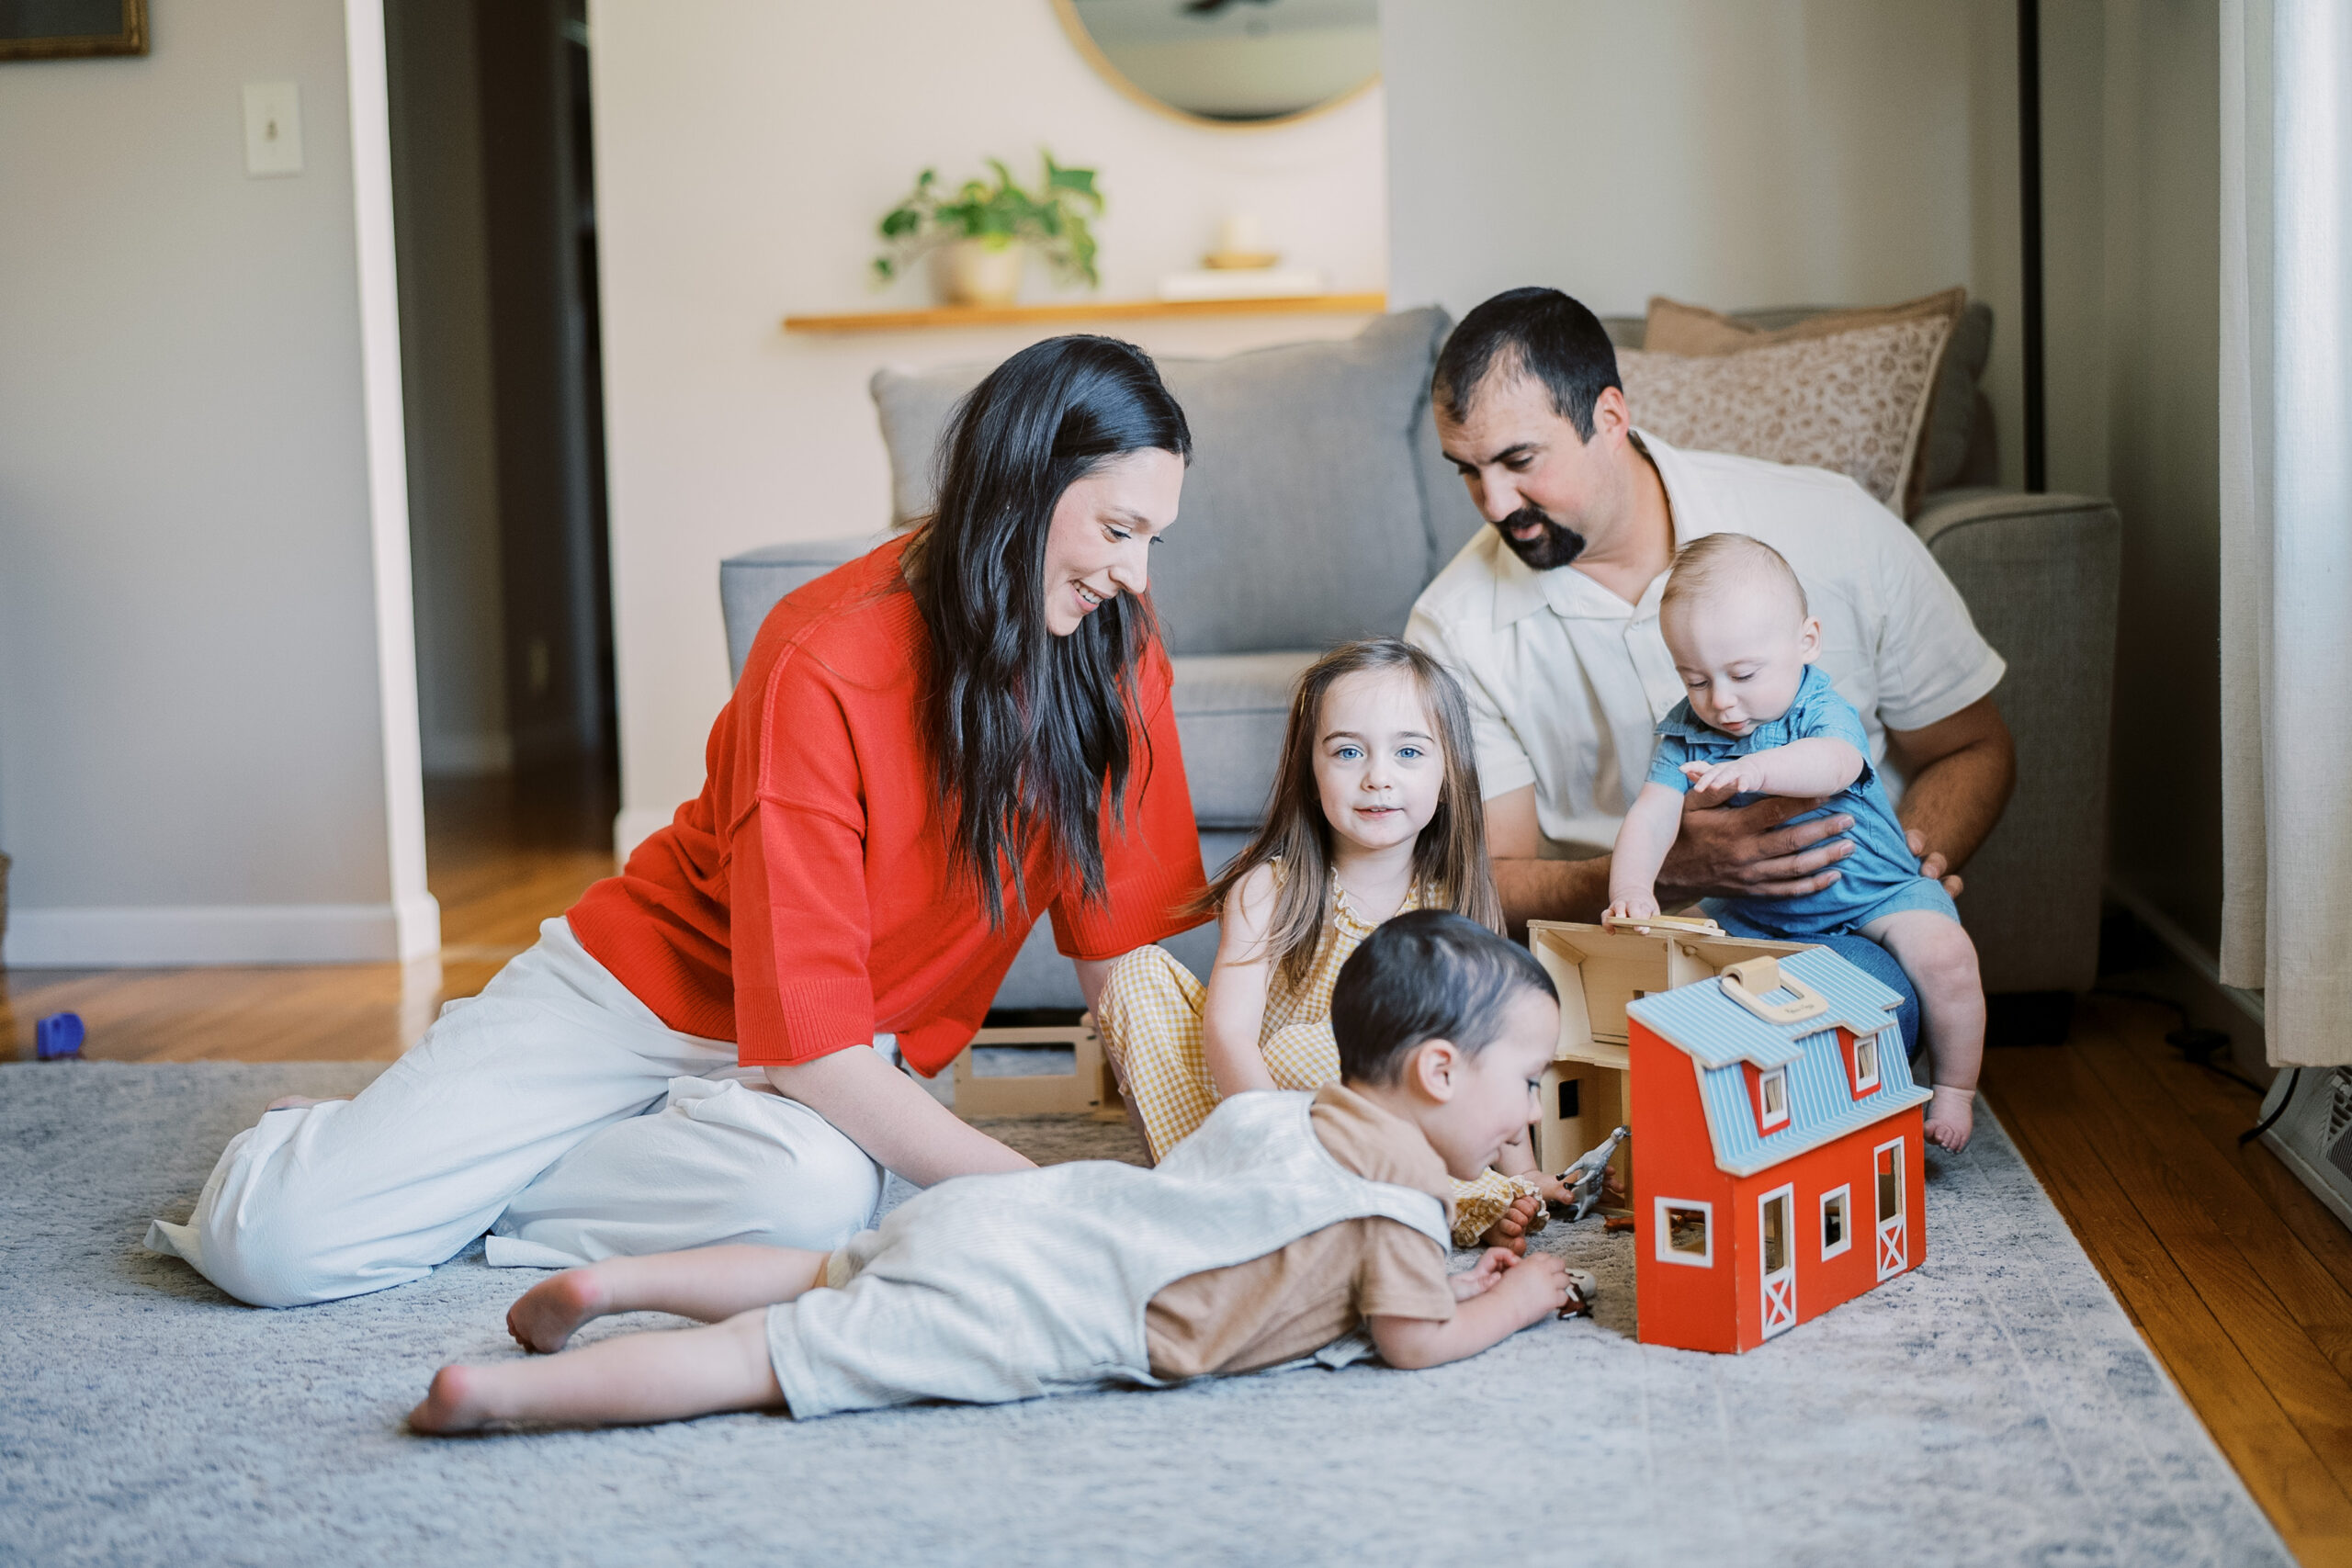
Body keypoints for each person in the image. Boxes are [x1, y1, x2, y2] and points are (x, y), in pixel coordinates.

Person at [147, 336, 1214, 1308]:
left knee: (809, 1205)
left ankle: (455, 1175)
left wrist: (1215, 1159)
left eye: (1152, 538)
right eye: (1118, 530)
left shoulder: (1118, 652)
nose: (1134, 573)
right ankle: (326, 1149)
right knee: (273, 1250)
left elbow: (1121, 961)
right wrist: (1054, 1203)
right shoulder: (824, 654)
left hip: (837, 1051)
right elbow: (810, 1055)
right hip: (641, 996)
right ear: (1021, 489)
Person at [407, 911, 1579, 1431]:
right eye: (1523, 1080)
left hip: (1029, 1215)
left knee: (823, 1269)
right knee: (768, 1359)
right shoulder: (1391, 1216)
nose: (1530, 1107)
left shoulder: (1283, 1116)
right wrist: (1518, 1294)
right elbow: (1408, 1336)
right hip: (1043, 1305)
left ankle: (618, 1284)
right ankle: (502, 1397)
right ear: (1434, 1071)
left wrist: (1451, 1274)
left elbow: (1309, 1259)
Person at [1405, 288, 2016, 1049]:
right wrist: (1672, 868)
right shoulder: (1453, 626)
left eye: (1519, 461)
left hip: (1843, 934)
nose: (1493, 502)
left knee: (1827, 1020)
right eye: (1467, 470)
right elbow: (1489, 876)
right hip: (1619, 956)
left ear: (1610, 418)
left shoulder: (1831, 525)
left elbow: (1974, 745)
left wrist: (1906, 859)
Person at [1096, 638, 1564, 1250]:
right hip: (1253, 1114)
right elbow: (1229, 1035)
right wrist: (1279, 1141)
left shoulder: (1454, 902)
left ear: (1448, 775)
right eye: (1347, 751)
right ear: (1310, 773)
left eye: (1408, 752)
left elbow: (1487, 1054)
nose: (1378, 777)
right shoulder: (1268, 887)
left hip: (1377, 1122)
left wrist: (1523, 1170)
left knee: (1338, 1052)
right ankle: (1242, 1193)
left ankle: (1412, 1193)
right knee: (1137, 975)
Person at [1606, 536, 1982, 1148]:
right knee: (1690, 990)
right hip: (1755, 916)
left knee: (1947, 957)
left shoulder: (1816, 707)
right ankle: (1712, 1116)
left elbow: (1832, 765)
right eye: (1695, 678)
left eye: (1743, 674)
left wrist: (1758, 770)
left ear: (1806, 641)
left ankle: (1955, 1090)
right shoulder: (1686, 732)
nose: (1721, 702)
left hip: (1875, 897)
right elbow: (1652, 814)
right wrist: (1631, 887)